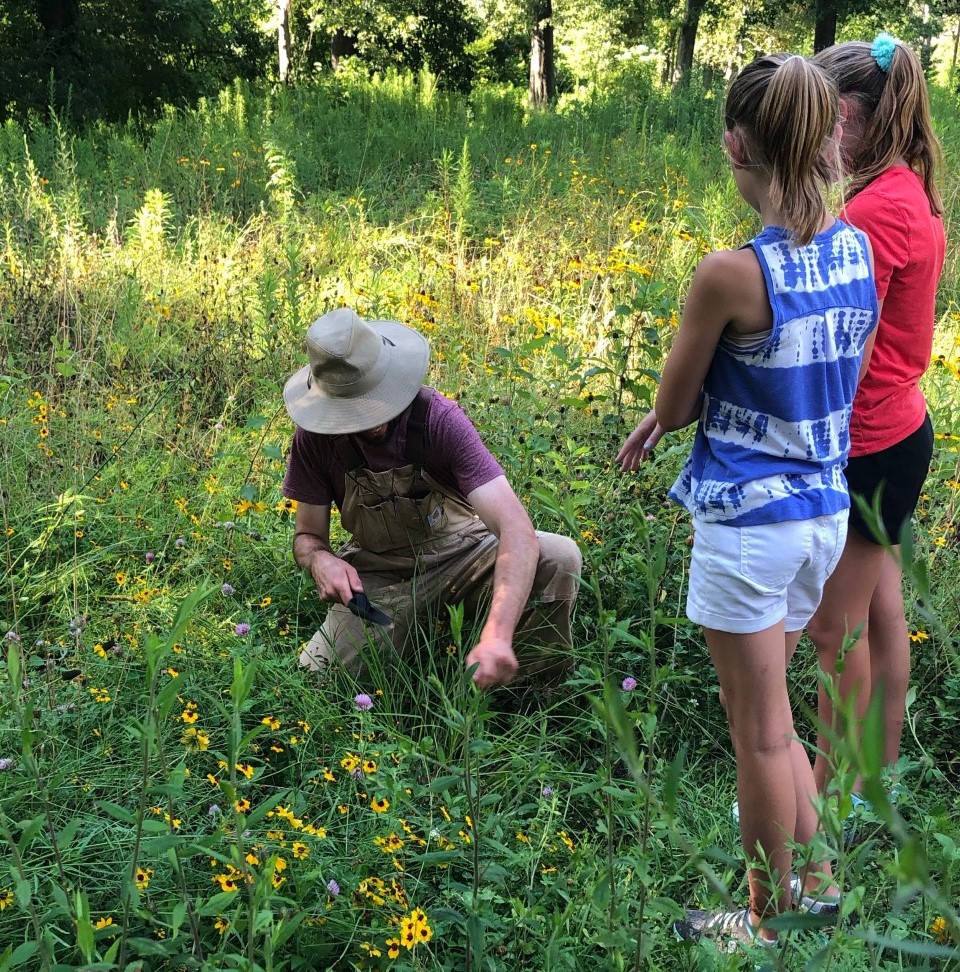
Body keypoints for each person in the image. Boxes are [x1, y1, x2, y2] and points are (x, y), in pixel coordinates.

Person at [617, 54, 878, 948]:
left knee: (760, 736)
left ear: (736, 142)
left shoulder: (730, 274)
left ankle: (767, 930)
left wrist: (662, 417)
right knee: (776, 724)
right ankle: (816, 890)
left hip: (747, 528)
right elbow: (827, 371)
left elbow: (675, 405)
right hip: (822, 520)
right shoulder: (857, 249)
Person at [281, 307, 582, 690]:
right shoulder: (314, 439)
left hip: (465, 557)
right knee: (317, 683)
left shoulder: (438, 418)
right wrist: (320, 560)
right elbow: (307, 538)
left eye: (377, 399)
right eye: (354, 408)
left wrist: (497, 634)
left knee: (559, 556)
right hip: (380, 578)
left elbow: (515, 529)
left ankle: (530, 691)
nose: (372, 417)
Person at [807, 34, 945, 795]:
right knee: (881, 612)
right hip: (898, 432)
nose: (816, 135)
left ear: (857, 115)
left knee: (835, 630)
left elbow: (849, 350)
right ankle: (875, 779)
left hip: (869, 445)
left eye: (823, 118)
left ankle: (829, 798)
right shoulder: (909, 188)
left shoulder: (872, 211)